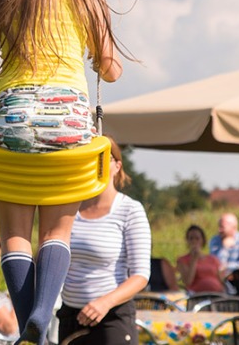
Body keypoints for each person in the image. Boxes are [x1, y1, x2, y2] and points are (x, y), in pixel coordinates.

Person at [0, 0, 128, 344]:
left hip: (14, 118)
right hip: (69, 122)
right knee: (57, 232)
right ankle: (41, 311)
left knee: (15, 234)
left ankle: (24, 324)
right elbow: (110, 69)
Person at [57, 136, 151, 345]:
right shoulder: (68, 207)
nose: (95, 163)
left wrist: (104, 303)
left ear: (117, 166)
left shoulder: (130, 210)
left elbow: (141, 275)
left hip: (111, 318)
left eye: (102, 157)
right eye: (90, 157)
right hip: (70, 317)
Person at [177, 225, 225, 293]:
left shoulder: (213, 259)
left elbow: (221, 280)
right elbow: (187, 281)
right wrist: (194, 260)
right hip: (197, 295)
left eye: (197, 238)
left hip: (217, 294)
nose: (194, 241)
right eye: (191, 238)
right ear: (187, 240)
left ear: (202, 240)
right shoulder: (182, 260)